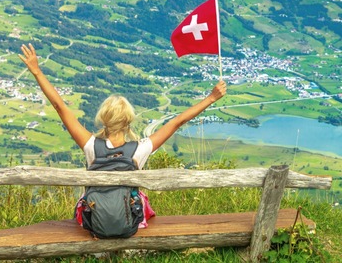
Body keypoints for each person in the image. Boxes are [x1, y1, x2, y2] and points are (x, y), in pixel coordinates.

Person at [18, 43, 227, 228]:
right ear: (128, 122)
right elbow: (176, 122)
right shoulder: (139, 149)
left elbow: (60, 107)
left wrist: (37, 71)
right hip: (129, 222)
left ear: (104, 119)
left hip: (94, 221)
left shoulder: (91, 145)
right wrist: (211, 97)